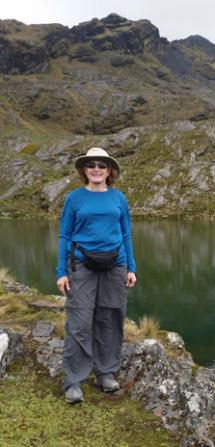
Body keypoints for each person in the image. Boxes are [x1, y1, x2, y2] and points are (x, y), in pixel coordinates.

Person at [56, 147, 136, 404]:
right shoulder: (74, 199)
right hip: (81, 265)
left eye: (102, 165)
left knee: (110, 319)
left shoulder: (119, 199)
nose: (97, 169)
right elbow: (65, 236)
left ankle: (105, 373)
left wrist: (131, 267)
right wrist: (61, 272)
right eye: (91, 164)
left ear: (110, 170)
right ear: (84, 170)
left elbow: (125, 235)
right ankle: (74, 382)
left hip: (116, 266)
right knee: (79, 321)